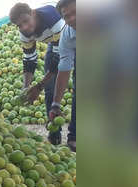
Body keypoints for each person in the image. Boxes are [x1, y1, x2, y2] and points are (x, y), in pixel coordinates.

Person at [9, 3, 66, 145]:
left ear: (33, 13)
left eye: (26, 21)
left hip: (74, 39)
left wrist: (38, 86)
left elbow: (60, 59)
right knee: (50, 89)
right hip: (55, 43)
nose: (24, 27)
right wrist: (26, 88)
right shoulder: (24, 33)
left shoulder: (52, 18)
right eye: (19, 25)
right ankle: (54, 133)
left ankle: (74, 137)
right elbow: (29, 60)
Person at [51, 0, 76, 151]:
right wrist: (56, 104)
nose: (72, 18)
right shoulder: (67, 35)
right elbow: (64, 68)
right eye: (67, 16)